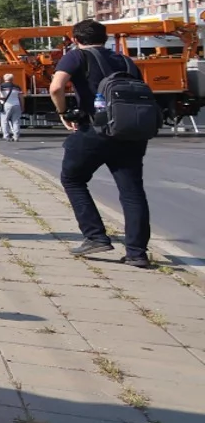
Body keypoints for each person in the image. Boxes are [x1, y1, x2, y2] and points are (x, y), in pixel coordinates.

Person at [52, 19, 154, 267]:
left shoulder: (76, 57)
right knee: (132, 192)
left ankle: (95, 236)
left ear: (75, 39)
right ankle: (137, 253)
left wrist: (64, 113)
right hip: (130, 134)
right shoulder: (126, 61)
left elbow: (56, 87)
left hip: (94, 131)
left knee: (73, 179)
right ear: (105, 38)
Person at [0, 75, 22, 142]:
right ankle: (16, 137)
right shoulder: (17, 87)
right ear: (12, 79)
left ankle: (6, 136)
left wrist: (0, 98)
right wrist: (22, 106)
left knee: (4, 121)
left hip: (6, 105)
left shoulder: (1, 86)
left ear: (4, 79)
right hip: (17, 105)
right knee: (16, 121)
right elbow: (21, 97)